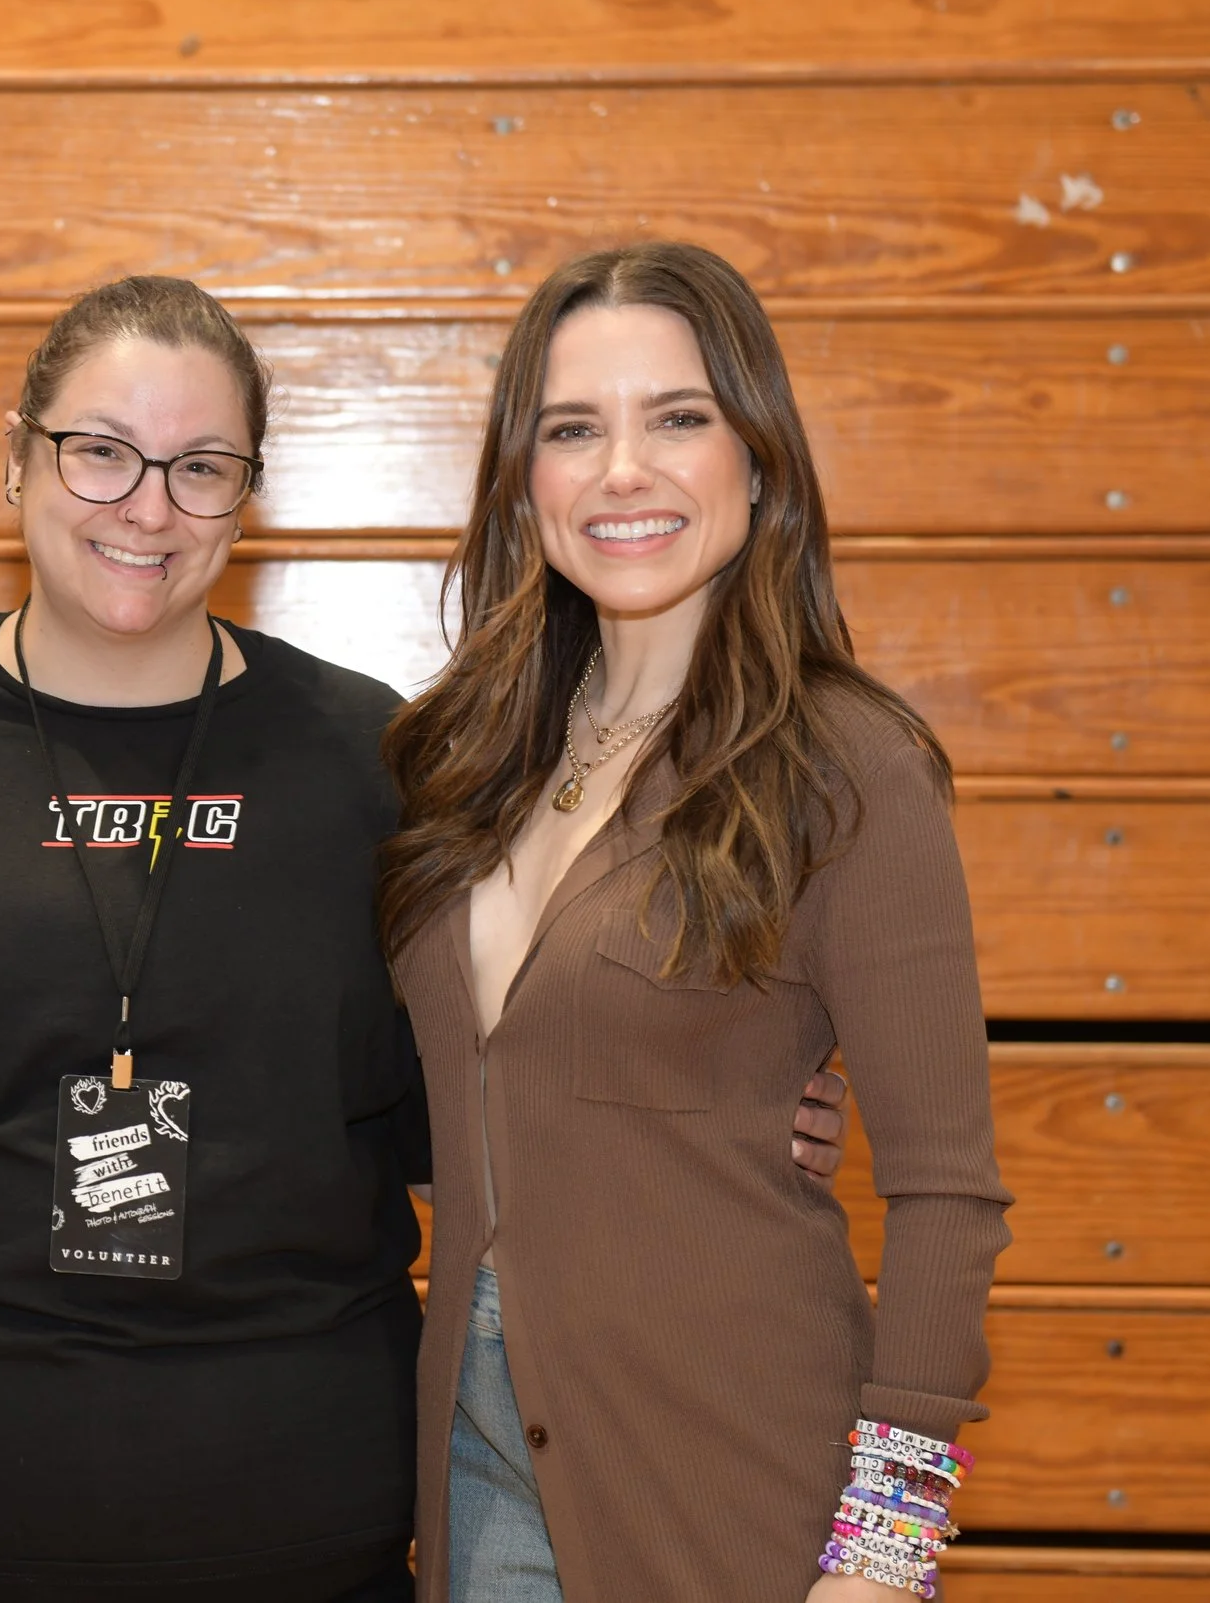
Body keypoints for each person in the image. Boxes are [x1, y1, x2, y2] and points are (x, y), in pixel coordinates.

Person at [0, 275, 851, 1603]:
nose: (147, 506)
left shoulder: (377, 766)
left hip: (284, 1530)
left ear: (247, 492)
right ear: (14, 454)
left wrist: (714, 1099)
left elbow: (486, 1094)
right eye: (99, 451)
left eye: (201, 467)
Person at [379, 242, 1012, 1603]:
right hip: (480, 1485)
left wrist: (884, 1557)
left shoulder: (847, 765)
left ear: (759, 456)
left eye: (677, 417)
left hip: (739, 1497)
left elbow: (947, 1193)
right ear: (523, 480)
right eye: (572, 429)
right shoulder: (462, 764)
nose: (622, 469)